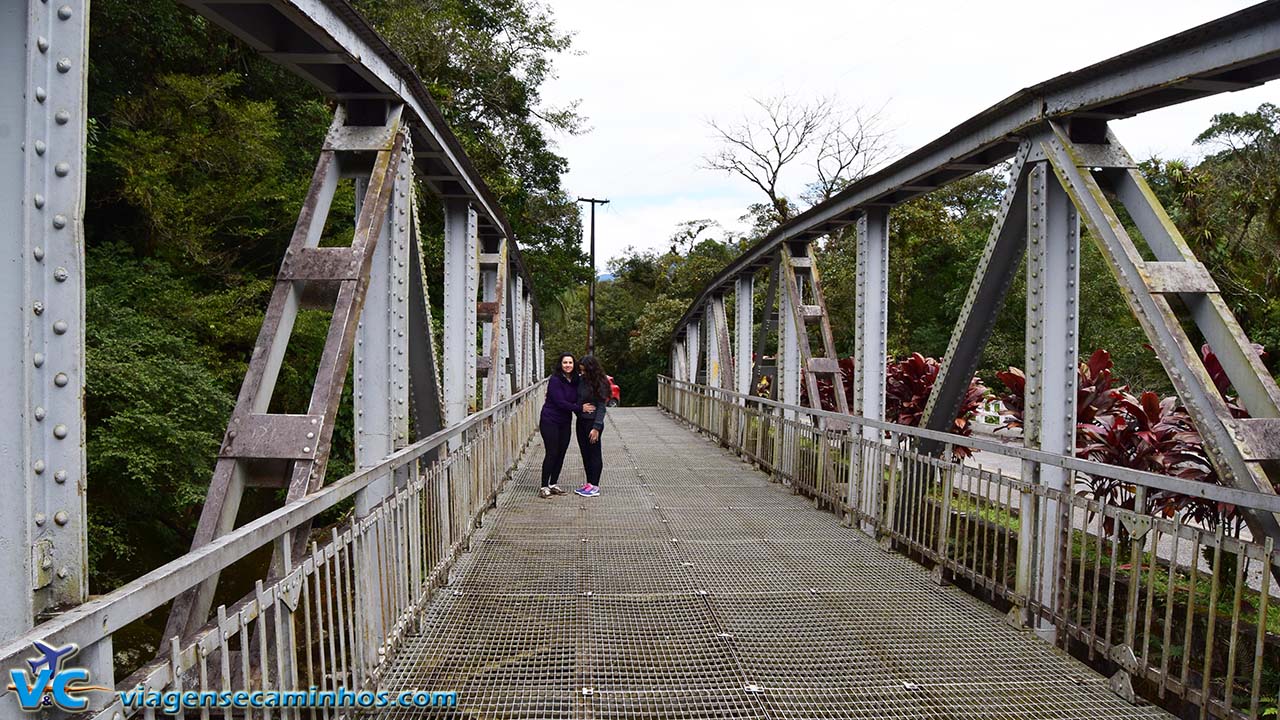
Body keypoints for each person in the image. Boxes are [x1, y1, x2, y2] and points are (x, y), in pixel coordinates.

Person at [538, 353, 592, 498]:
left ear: (574, 365)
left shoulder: (575, 380)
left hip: (565, 421)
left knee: (561, 452)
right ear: (560, 364)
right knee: (552, 452)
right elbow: (560, 402)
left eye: (570, 362)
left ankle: (553, 484)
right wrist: (580, 409)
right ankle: (544, 486)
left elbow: (582, 395)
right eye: (565, 362)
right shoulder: (555, 380)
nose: (567, 365)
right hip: (550, 419)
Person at [573, 355, 611, 497]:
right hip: (581, 421)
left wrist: (596, 427)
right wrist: (579, 408)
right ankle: (589, 483)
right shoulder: (581, 381)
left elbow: (601, 407)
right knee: (585, 453)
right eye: (581, 371)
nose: (582, 373)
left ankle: (595, 486)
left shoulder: (599, 382)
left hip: (593, 423)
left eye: (585, 371)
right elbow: (575, 400)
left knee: (594, 453)